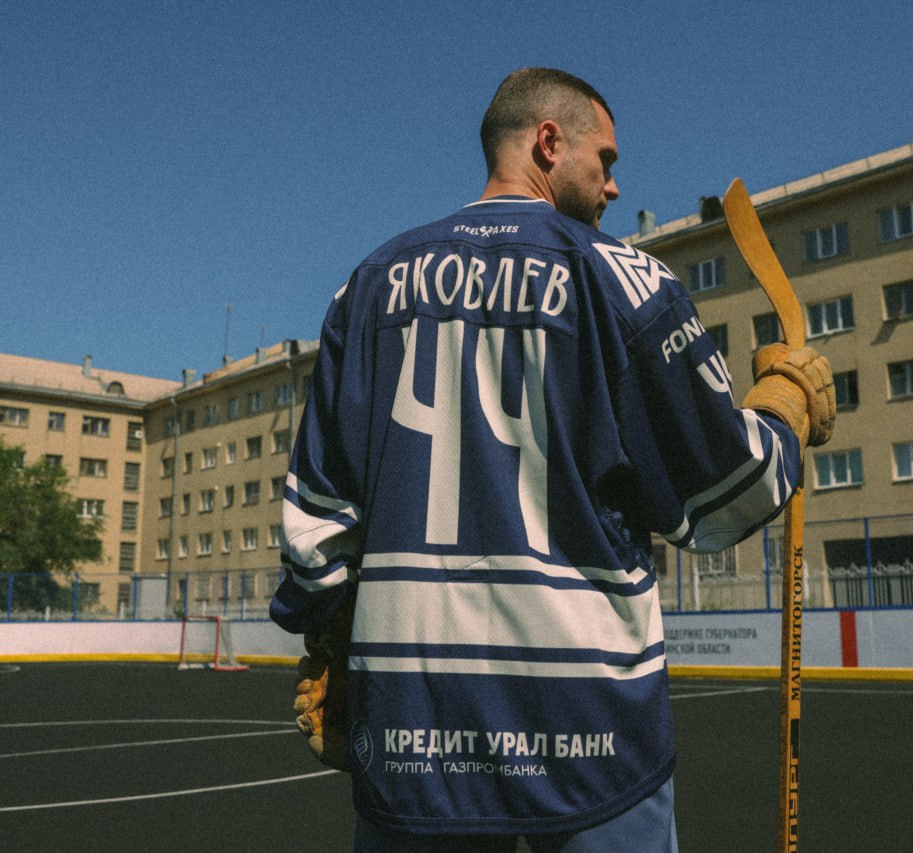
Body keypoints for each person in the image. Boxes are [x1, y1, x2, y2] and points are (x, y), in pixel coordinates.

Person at [270, 67, 835, 852]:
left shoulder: (365, 289)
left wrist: (328, 632)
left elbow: (318, 530)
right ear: (548, 142)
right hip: (593, 739)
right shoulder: (623, 280)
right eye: (605, 159)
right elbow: (723, 493)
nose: (613, 186)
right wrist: (785, 408)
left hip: (410, 737)